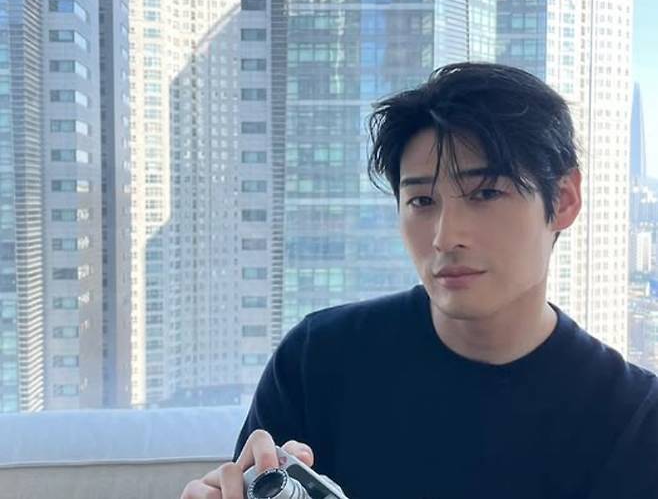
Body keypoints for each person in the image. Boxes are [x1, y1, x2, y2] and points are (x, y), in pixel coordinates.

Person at [180, 62, 658, 499]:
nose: (446, 236)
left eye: (486, 193)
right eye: (422, 202)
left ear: (565, 199)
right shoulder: (318, 360)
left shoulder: (633, 417)